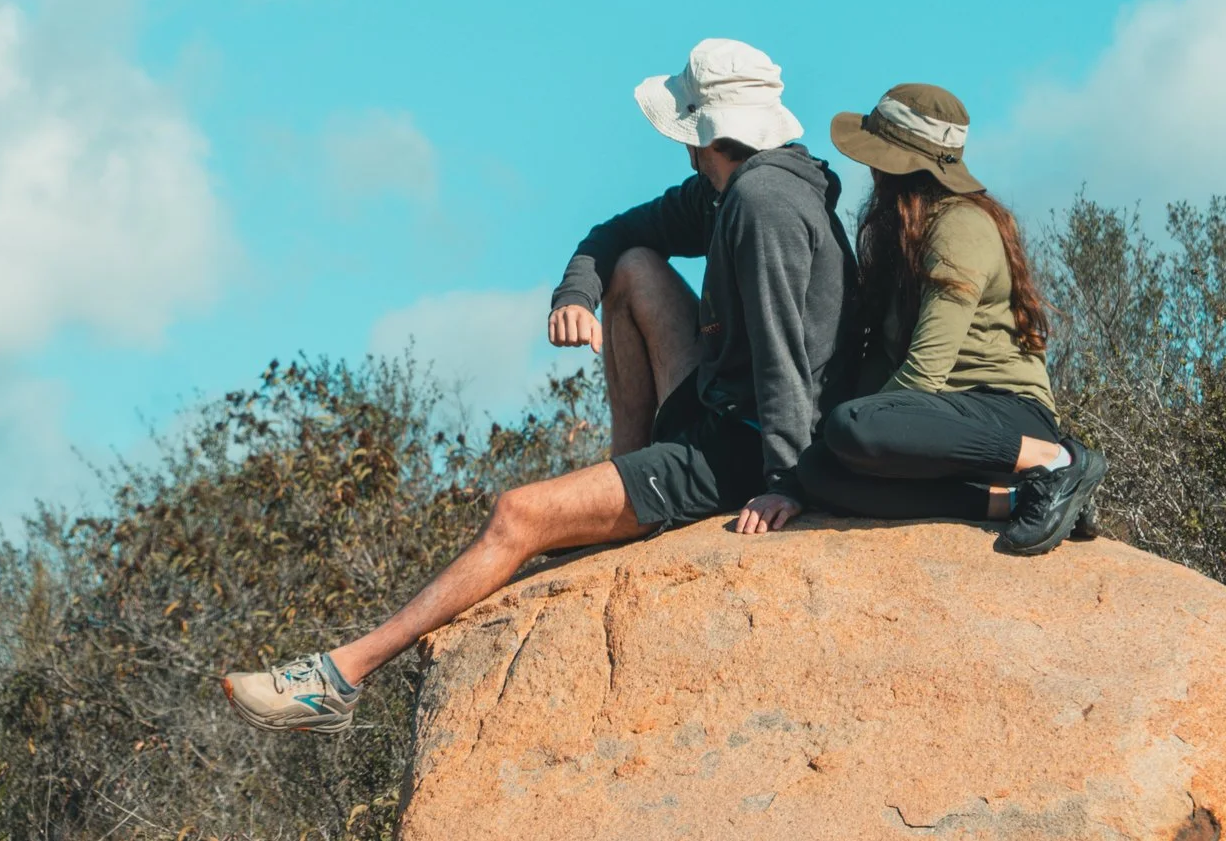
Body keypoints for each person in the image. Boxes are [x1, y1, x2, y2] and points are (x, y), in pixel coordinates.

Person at [221, 38, 856, 733]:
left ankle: (340, 676)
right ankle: (623, 478)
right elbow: (615, 233)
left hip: (742, 451)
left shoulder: (761, 205)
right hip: (720, 412)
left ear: (701, 133)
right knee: (636, 266)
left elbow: (783, 354)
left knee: (517, 516)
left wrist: (786, 481)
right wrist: (575, 294)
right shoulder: (737, 188)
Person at [795, 83, 1106, 555]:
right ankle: (1015, 500)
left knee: (852, 428)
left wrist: (866, 429)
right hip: (936, 422)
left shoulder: (959, 226)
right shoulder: (902, 233)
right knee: (816, 471)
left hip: (1005, 415)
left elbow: (925, 373)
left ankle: (1059, 460)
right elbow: (881, 362)